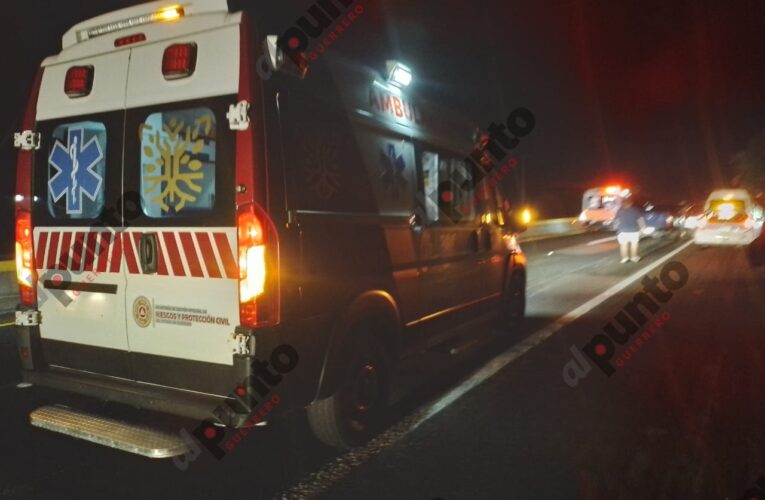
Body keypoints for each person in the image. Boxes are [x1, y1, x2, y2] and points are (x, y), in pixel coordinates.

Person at [614, 197, 645, 263]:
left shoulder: (620, 210)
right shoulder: (635, 210)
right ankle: (634, 257)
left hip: (622, 230)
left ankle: (625, 258)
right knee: (634, 244)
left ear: (623, 203)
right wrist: (642, 228)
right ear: (631, 203)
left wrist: (616, 228)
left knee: (623, 245)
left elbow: (617, 221)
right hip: (634, 230)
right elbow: (640, 220)